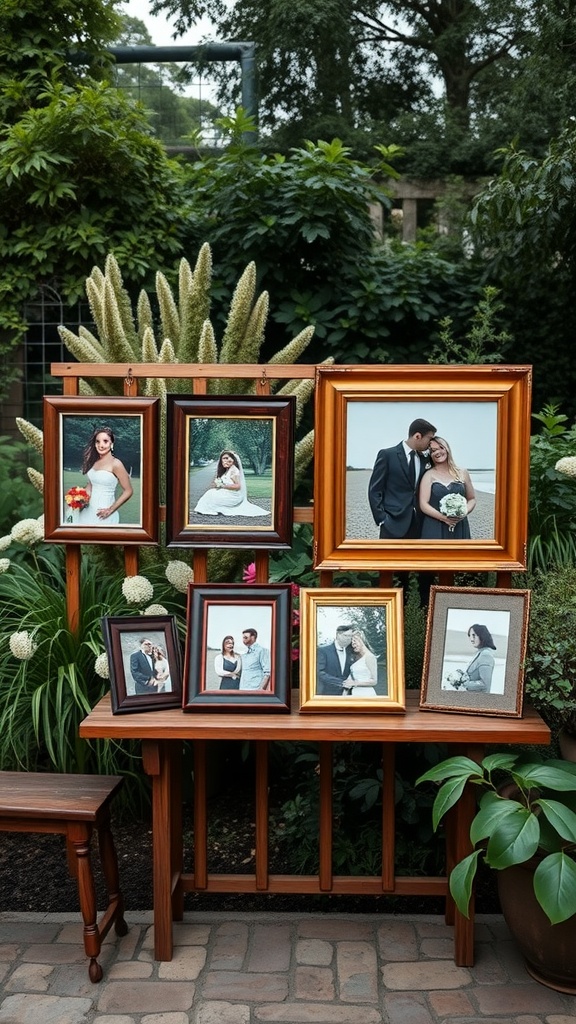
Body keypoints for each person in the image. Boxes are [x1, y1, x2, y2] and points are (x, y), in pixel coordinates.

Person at [368, 418, 437, 540]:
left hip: (418, 524)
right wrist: (382, 519)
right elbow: (374, 490)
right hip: (392, 524)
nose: (431, 443)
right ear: (417, 436)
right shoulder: (387, 455)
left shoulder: (425, 459)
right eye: (430, 439)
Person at [419, 436, 476, 540]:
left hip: (459, 525)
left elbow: (471, 499)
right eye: (433, 450)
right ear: (430, 455)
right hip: (435, 526)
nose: (437, 452)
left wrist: (463, 512)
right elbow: (423, 504)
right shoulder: (428, 475)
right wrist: (444, 518)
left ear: (447, 449)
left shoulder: (462, 472)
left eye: (441, 447)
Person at [76, 426, 133, 525]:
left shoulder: (116, 464)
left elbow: (128, 491)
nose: (101, 445)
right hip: (88, 512)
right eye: (97, 442)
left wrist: (110, 510)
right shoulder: (94, 461)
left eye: (105, 441)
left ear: (111, 443)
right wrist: (81, 499)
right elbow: (91, 485)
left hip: (104, 514)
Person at [193, 450, 270, 517]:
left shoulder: (234, 470)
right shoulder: (227, 470)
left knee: (210, 495)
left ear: (233, 460)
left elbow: (238, 486)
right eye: (224, 458)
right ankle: (207, 509)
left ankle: (209, 509)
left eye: (228, 459)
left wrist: (222, 486)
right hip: (227, 492)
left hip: (234, 496)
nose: (225, 461)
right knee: (210, 493)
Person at [316, 624, 355, 695]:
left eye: (350, 636)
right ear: (338, 635)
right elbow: (320, 673)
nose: (349, 638)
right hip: (328, 693)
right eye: (346, 635)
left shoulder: (351, 651)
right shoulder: (323, 651)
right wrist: (341, 683)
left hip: (348, 694)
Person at [345, 630, 378, 697]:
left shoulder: (369, 657)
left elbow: (374, 681)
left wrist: (355, 683)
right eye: (352, 642)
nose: (353, 644)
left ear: (361, 640)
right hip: (355, 694)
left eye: (354, 641)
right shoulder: (357, 658)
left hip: (366, 694)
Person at [464, 624, 496, 692]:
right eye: (470, 636)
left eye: (474, 635)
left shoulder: (485, 655)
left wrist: (463, 684)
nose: (471, 639)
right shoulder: (480, 653)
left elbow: (485, 684)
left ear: (482, 636)